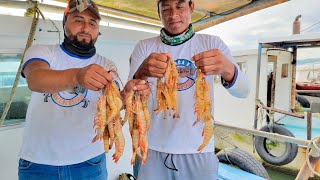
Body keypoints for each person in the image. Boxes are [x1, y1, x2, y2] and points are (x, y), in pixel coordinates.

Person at [18, 0, 150, 179]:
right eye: (78, 20)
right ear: (65, 22)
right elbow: (35, 79)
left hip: (89, 162)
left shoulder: (106, 64)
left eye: (93, 23)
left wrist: (128, 95)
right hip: (38, 163)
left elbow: (114, 106)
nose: (86, 27)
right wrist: (77, 76)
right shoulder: (42, 52)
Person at [129, 0, 250, 179]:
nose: (173, 14)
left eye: (180, 6)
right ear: (159, 12)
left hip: (199, 151)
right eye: (166, 9)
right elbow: (130, 99)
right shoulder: (144, 47)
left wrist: (228, 69)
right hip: (154, 150)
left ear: (191, 7)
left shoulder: (212, 43)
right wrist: (141, 73)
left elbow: (244, 91)